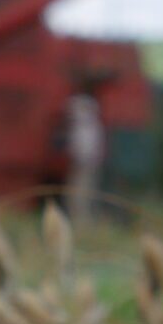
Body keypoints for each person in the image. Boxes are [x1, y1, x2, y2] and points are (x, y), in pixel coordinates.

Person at [64, 88, 104, 224]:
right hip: (82, 163)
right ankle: (79, 220)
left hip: (85, 164)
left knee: (81, 193)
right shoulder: (87, 124)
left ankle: (82, 221)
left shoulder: (87, 125)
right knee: (78, 193)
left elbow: (86, 147)